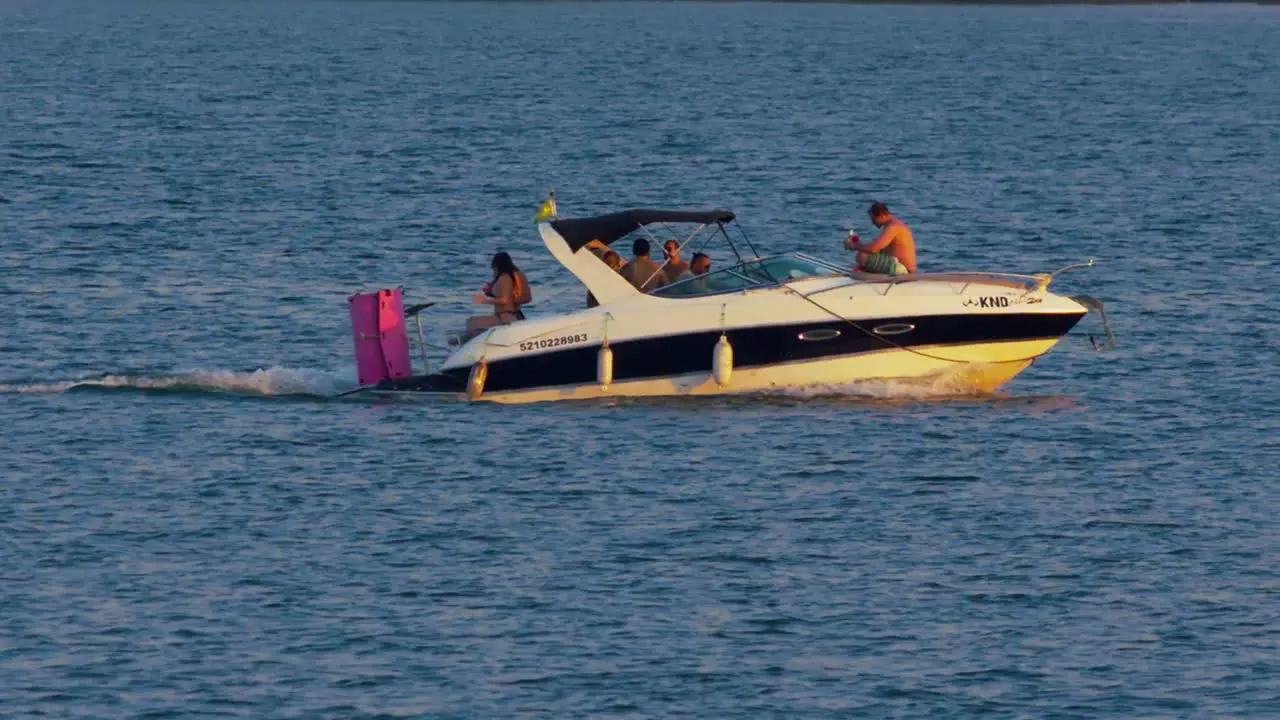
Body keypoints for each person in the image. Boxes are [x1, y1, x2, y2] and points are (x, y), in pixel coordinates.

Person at [466, 251, 531, 336]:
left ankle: (482, 344)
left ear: (497, 266)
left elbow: (504, 300)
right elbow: (513, 296)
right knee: (468, 331)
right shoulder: (517, 276)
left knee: (471, 323)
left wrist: (484, 300)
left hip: (506, 318)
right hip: (515, 316)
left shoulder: (504, 277)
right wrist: (491, 293)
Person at [844, 201, 917, 275]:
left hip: (904, 269)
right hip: (900, 266)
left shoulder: (893, 227)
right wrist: (859, 244)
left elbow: (874, 249)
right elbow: (879, 249)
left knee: (862, 257)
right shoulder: (893, 224)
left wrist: (853, 246)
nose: (873, 222)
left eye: (873, 219)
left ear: (881, 215)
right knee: (865, 256)